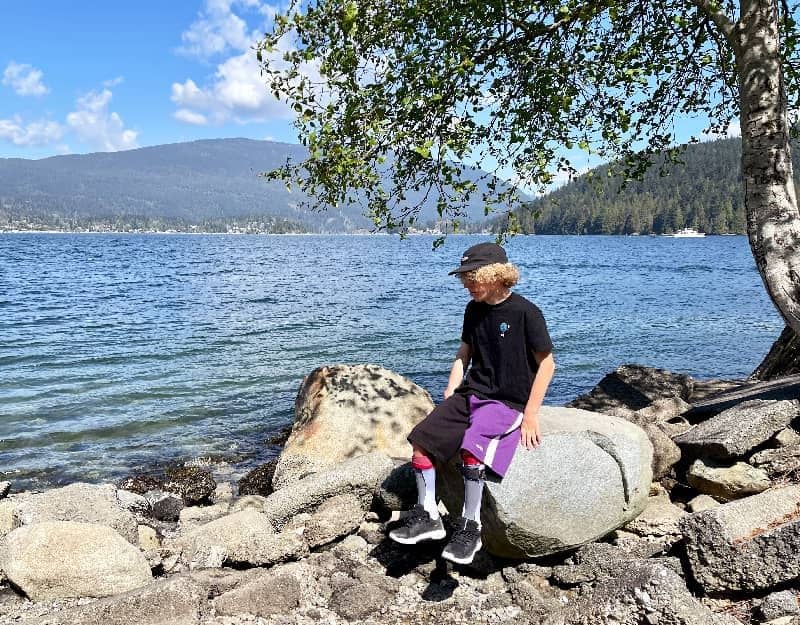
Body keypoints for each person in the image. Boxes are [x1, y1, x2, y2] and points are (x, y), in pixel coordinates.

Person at [388, 241, 555, 564]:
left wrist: (531, 414)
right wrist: (451, 390)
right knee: (421, 440)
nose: (466, 284)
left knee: (471, 447)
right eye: (464, 278)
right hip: (471, 394)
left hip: (507, 401)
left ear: (495, 275)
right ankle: (428, 517)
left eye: (471, 277)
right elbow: (464, 353)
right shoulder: (473, 309)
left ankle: (471, 526)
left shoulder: (526, 313)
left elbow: (547, 364)